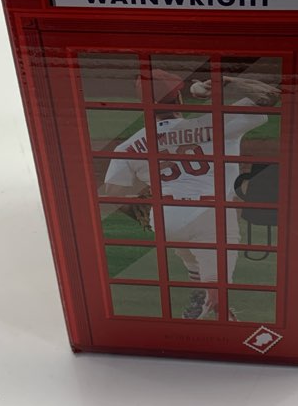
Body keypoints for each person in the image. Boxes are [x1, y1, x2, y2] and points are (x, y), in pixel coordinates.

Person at [103, 69, 280, 319]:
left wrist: (143, 212)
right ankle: (215, 309)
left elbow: (112, 194)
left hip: (165, 220)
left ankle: (200, 297)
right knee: (218, 290)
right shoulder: (217, 122)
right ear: (179, 97)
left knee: (191, 257)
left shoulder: (130, 144)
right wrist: (225, 81)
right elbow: (270, 95)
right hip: (210, 216)